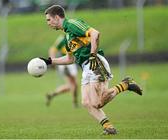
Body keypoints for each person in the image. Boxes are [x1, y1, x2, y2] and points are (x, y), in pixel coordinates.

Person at [40, 5, 142, 135]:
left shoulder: (72, 24)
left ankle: (126, 84)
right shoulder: (66, 36)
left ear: (56, 17)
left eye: (48, 20)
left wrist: (93, 55)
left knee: (97, 102)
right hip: (85, 67)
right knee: (86, 102)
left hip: (95, 62)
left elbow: (95, 33)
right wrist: (49, 61)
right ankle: (108, 128)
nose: (48, 23)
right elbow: (70, 59)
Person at [46, 35, 78, 107]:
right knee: (73, 84)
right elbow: (52, 49)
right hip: (65, 63)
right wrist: (52, 61)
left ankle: (52, 94)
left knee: (72, 85)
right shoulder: (63, 38)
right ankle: (74, 103)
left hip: (71, 63)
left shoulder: (75, 36)